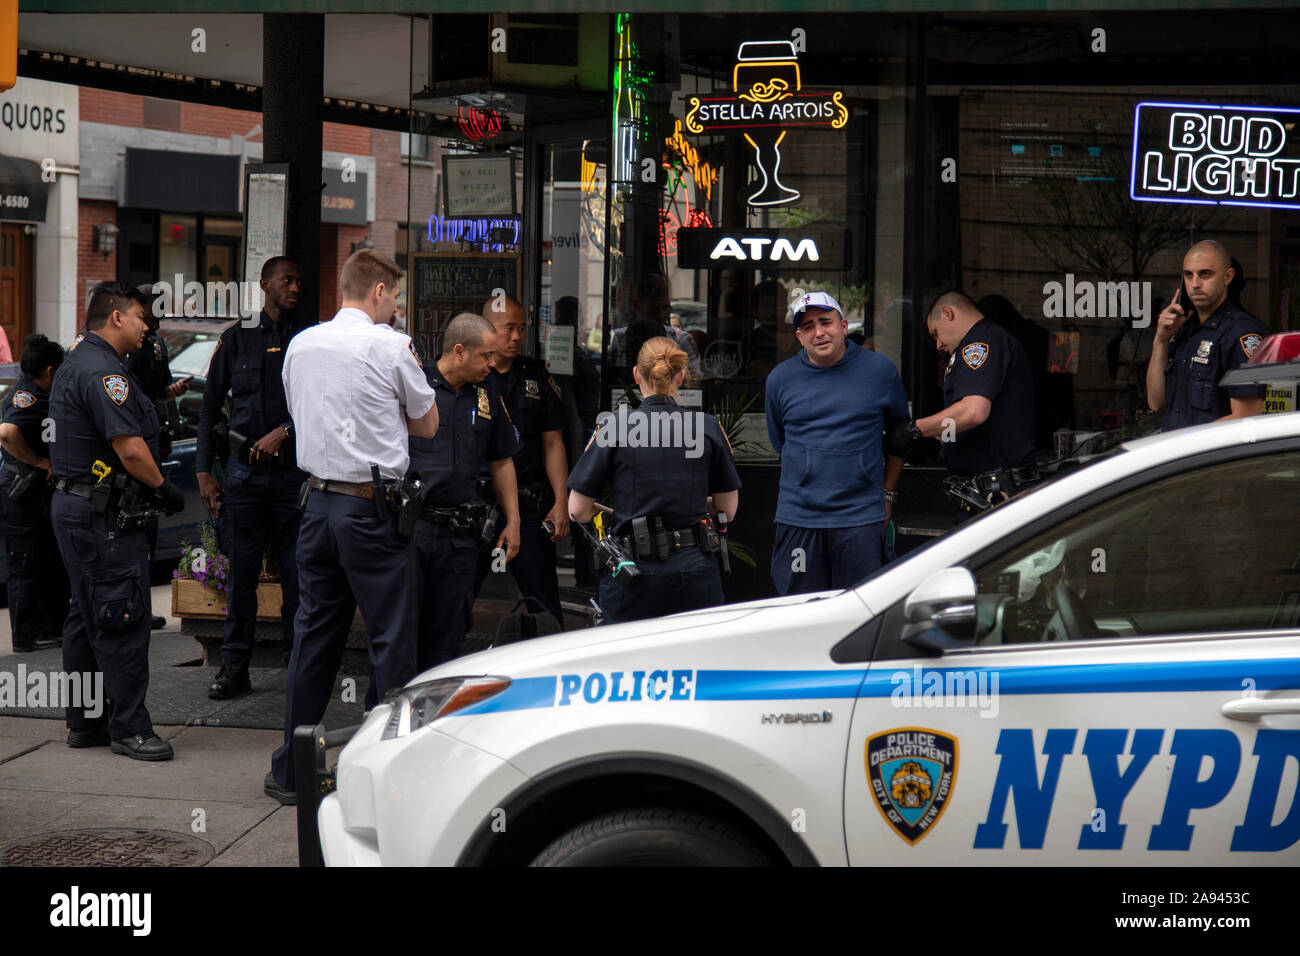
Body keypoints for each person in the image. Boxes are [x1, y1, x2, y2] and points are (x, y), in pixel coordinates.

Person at [267, 249, 438, 804]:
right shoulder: (389, 344)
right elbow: (429, 423)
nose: (395, 308)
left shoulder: (302, 344)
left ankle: (293, 771)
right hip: (370, 508)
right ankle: (384, 773)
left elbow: (298, 414)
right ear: (380, 292)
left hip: (316, 505)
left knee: (313, 634)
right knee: (390, 636)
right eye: (395, 297)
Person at [49, 282, 187, 760]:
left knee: (85, 617)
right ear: (116, 318)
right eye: (139, 317)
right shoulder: (106, 373)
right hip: (102, 515)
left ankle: (86, 722)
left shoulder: (75, 361)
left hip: (76, 507)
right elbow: (129, 447)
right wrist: (163, 488)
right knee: (121, 615)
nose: (146, 325)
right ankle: (130, 728)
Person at [568, 337, 740, 623]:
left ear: (637, 374)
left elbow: (577, 509)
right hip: (694, 568)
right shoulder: (709, 428)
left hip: (632, 570)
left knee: (628, 663)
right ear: (681, 375)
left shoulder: (614, 427)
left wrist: (616, 513)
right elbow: (727, 509)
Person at [196, 257, 307, 700]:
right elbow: (207, 410)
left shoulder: (308, 341)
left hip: (292, 478)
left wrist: (286, 431)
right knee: (241, 579)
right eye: (287, 279)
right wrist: (205, 472)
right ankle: (234, 669)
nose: (294, 287)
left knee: (298, 580)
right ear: (265, 284)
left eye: (299, 281)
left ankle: (298, 666)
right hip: (243, 477)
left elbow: (322, 406)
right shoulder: (236, 339)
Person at [765, 291, 910, 595]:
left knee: (859, 613)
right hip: (799, 521)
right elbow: (782, 442)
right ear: (799, 336)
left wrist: (887, 495)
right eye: (807, 326)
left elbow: (900, 437)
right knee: (798, 612)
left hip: (860, 520)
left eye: (825, 322)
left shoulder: (880, 372)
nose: (818, 332)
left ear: (844, 325)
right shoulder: (780, 380)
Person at [409, 313, 521, 668]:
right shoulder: (416, 387)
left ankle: (437, 717)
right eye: (485, 356)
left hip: (460, 536)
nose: (492, 363)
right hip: (412, 530)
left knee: (449, 634)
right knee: (401, 629)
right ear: (459, 351)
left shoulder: (488, 397)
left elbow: (501, 460)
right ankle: (387, 717)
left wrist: (514, 521)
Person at [891, 291, 1037, 514]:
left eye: (935, 333)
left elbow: (973, 411)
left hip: (998, 495)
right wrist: (937, 445)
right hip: (983, 494)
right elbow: (972, 429)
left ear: (947, 313)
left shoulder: (980, 343)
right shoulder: (975, 346)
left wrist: (914, 430)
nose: (937, 345)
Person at [474, 293, 568, 629]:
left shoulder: (537, 376)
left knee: (543, 604)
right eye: (507, 328)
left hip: (530, 508)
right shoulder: (473, 376)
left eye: (522, 328)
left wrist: (561, 501)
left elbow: (553, 443)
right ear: (487, 329)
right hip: (478, 506)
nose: (516, 336)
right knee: (453, 605)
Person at [1146, 240, 1267, 431]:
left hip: (1211, 459)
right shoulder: (1183, 330)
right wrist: (1160, 341)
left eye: (1205, 274)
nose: (1195, 284)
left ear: (1228, 277)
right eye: (1188, 275)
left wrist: (1186, 444)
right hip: (1177, 455)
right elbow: (1155, 402)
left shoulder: (1241, 332)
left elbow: (1246, 416)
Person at [0, 334, 69, 652]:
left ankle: (46, 628)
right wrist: (41, 461)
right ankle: (27, 635)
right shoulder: (27, 397)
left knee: (44, 562)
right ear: (51, 371)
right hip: (21, 494)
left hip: (34, 497)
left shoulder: (31, 392)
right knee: (25, 565)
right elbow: (7, 432)